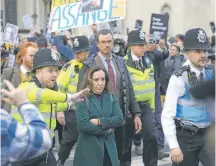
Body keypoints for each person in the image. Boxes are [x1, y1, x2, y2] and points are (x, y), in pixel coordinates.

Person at [11, 48, 90, 166]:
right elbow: (45, 96)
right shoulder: (28, 88)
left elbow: (54, 106)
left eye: (56, 70)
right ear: (38, 71)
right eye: (50, 70)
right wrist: (71, 97)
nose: (55, 74)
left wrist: (72, 104)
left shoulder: (44, 89)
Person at [77, 29, 142, 166]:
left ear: (113, 43)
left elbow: (129, 88)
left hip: (119, 116)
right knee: (101, 156)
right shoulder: (89, 64)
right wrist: (90, 121)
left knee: (121, 153)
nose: (107, 45)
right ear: (98, 44)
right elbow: (81, 93)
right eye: (103, 42)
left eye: (109, 41)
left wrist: (136, 113)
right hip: (96, 118)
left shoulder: (120, 61)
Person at [162, 28, 215, 166]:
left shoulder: (211, 74)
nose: (203, 55)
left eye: (204, 51)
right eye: (197, 51)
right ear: (187, 54)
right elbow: (167, 114)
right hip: (186, 138)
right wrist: (174, 146)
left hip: (208, 136)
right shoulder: (179, 78)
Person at [73, 67, 124, 166]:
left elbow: (119, 119)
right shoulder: (83, 98)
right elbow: (84, 124)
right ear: (89, 80)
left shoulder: (110, 97)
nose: (100, 83)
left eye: (103, 79)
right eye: (96, 80)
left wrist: (100, 121)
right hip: (89, 149)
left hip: (109, 148)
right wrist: (107, 130)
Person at [56, 35, 90, 166]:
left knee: (87, 139)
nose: (76, 54)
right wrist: (59, 110)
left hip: (89, 110)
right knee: (71, 138)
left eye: (80, 52)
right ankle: (62, 159)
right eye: (75, 51)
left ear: (87, 51)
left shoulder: (93, 65)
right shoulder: (69, 67)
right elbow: (59, 89)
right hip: (72, 109)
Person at [1, 80, 52, 166]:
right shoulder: (3, 121)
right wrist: (24, 103)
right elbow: (43, 140)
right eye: (50, 70)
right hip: (28, 138)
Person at [1, 42, 38, 113]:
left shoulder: (38, 74)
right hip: (11, 117)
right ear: (22, 56)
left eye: (36, 56)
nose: (34, 59)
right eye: (31, 56)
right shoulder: (9, 72)